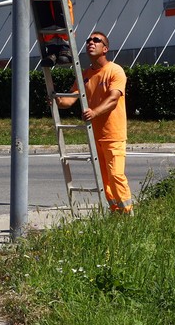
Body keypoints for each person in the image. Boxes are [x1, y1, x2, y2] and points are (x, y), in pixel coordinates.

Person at [57, 32, 132, 214]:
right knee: (104, 179)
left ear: (105, 48)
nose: (91, 42)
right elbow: (70, 100)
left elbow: (113, 99)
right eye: (88, 40)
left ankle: (128, 214)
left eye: (96, 40)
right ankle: (116, 212)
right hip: (94, 135)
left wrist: (94, 111)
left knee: (116, 175)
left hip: (113, 134)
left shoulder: (115, 71)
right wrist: (55, 99)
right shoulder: (85, 75)